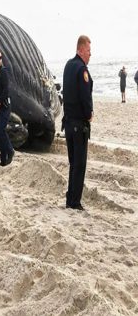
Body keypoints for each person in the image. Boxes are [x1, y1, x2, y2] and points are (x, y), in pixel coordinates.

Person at [62, 35, 93, 211]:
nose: (90, 54)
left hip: (68, 124)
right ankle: (74, 202)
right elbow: (85, 96)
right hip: (79, 124)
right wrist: (89, 114)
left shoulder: (68, 66)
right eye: (88, 50)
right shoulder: (82, 69)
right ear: (80, 50)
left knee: (73, 163)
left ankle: (70, 198)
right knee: (79, 165)